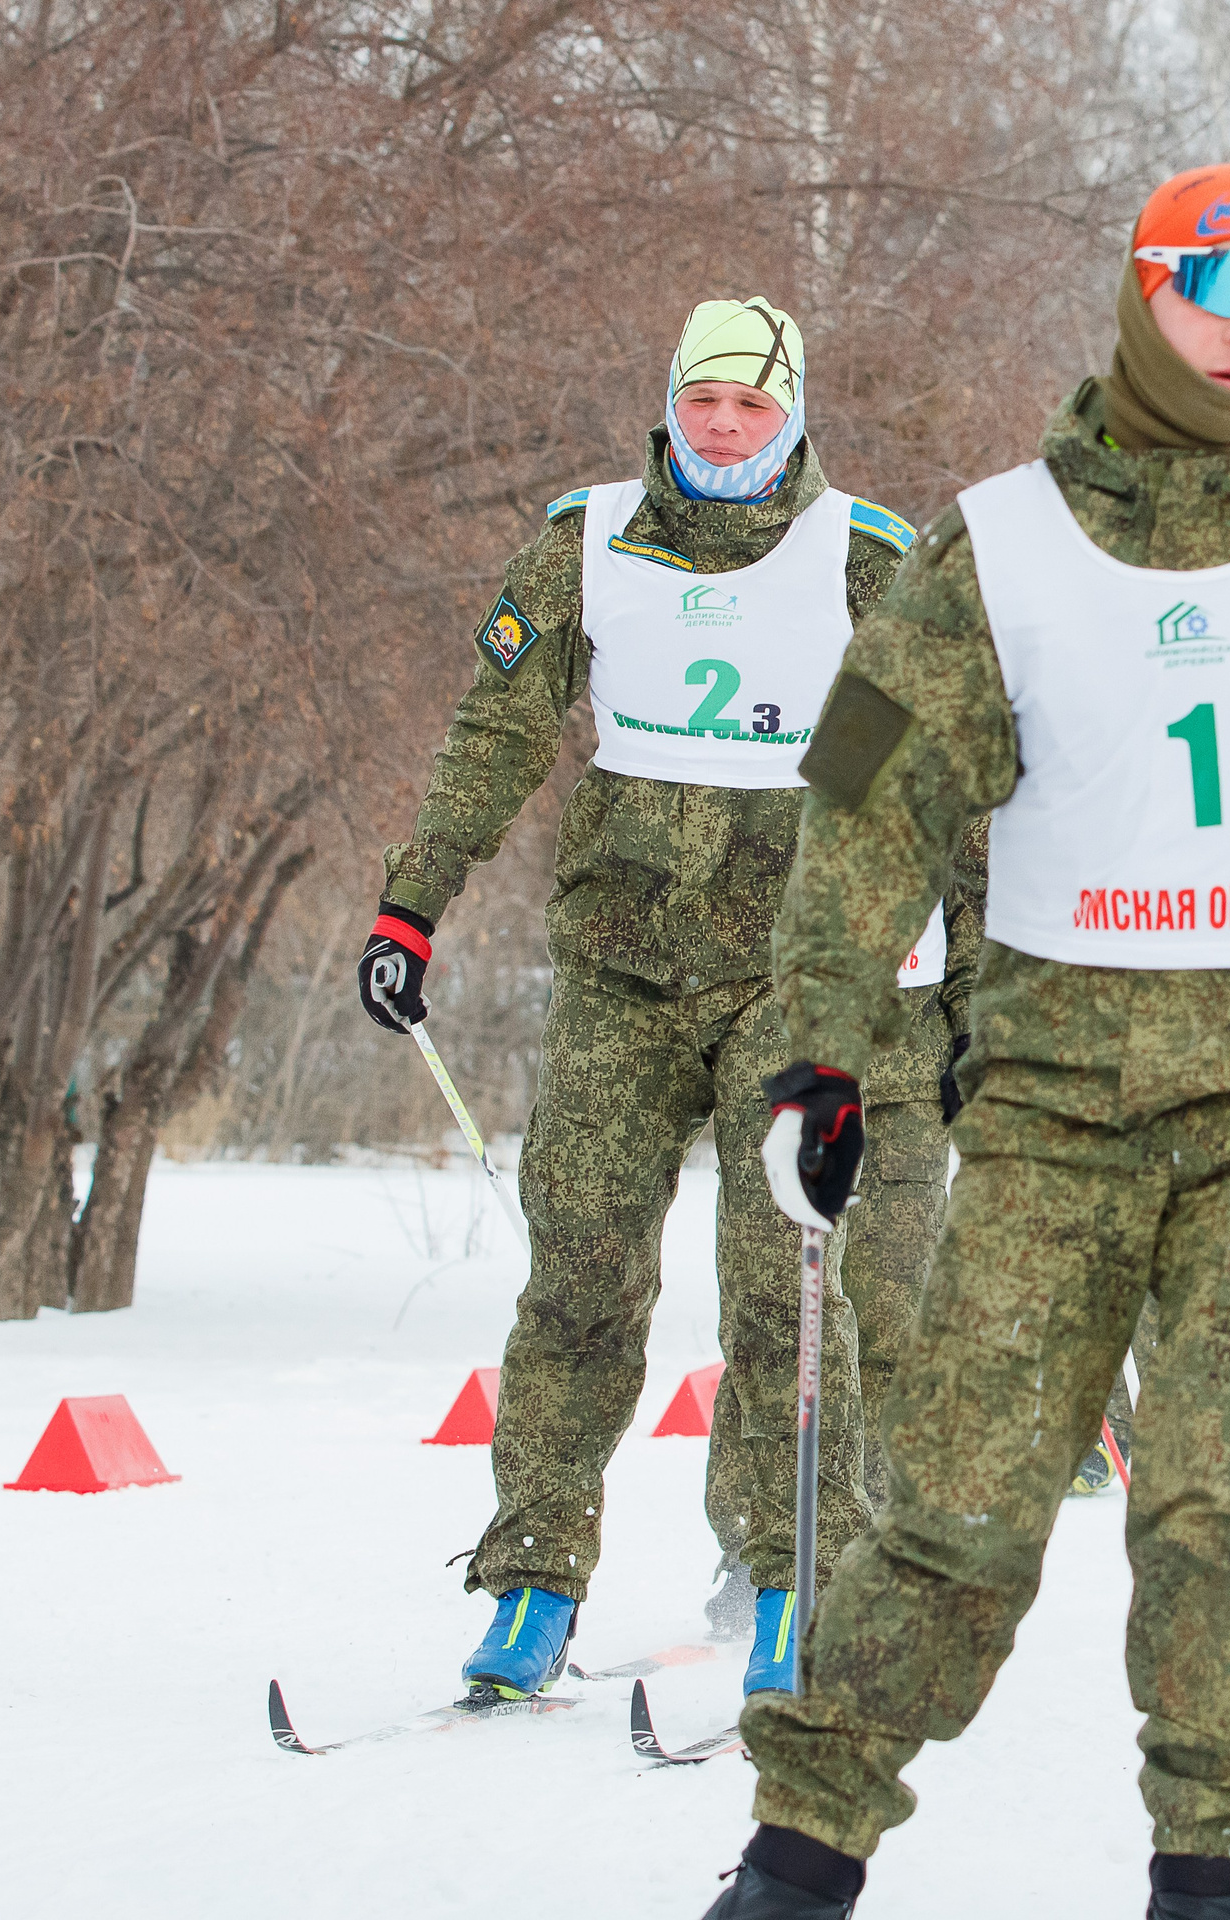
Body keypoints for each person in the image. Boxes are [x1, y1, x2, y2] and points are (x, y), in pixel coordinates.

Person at [711, 163, 1230, 1920]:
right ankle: (801, 1854)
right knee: (959, 1505)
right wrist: (819, 1052)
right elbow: (865, 811)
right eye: (1224, 278)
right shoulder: (992, 545)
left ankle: (1218, 1876)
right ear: (1144, 284)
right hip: (1053, 1110)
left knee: (1228, 1515)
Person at [359, 298, 938, 1700]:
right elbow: (496, 734)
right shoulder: (588, 541)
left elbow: (941, 773)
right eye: (701, 399)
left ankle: (800, 1582)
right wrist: (410, 903)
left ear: (791, 409)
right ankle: (535, 1581)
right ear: (671, 402)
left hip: (790, 986)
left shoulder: (864, 559)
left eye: (747, 402)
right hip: (620, 974)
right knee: (580, 1278)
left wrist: (959, 978)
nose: (721, 424)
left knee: (788, 1291)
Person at [702, 817, 989, 1635]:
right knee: (784, 1316)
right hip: (795, 1061)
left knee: (893, 1321)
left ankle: (877, 1545)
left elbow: (977, 900)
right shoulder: (787, 744)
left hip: (909, 1078)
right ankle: (760, 1542)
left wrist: (974, 1032)